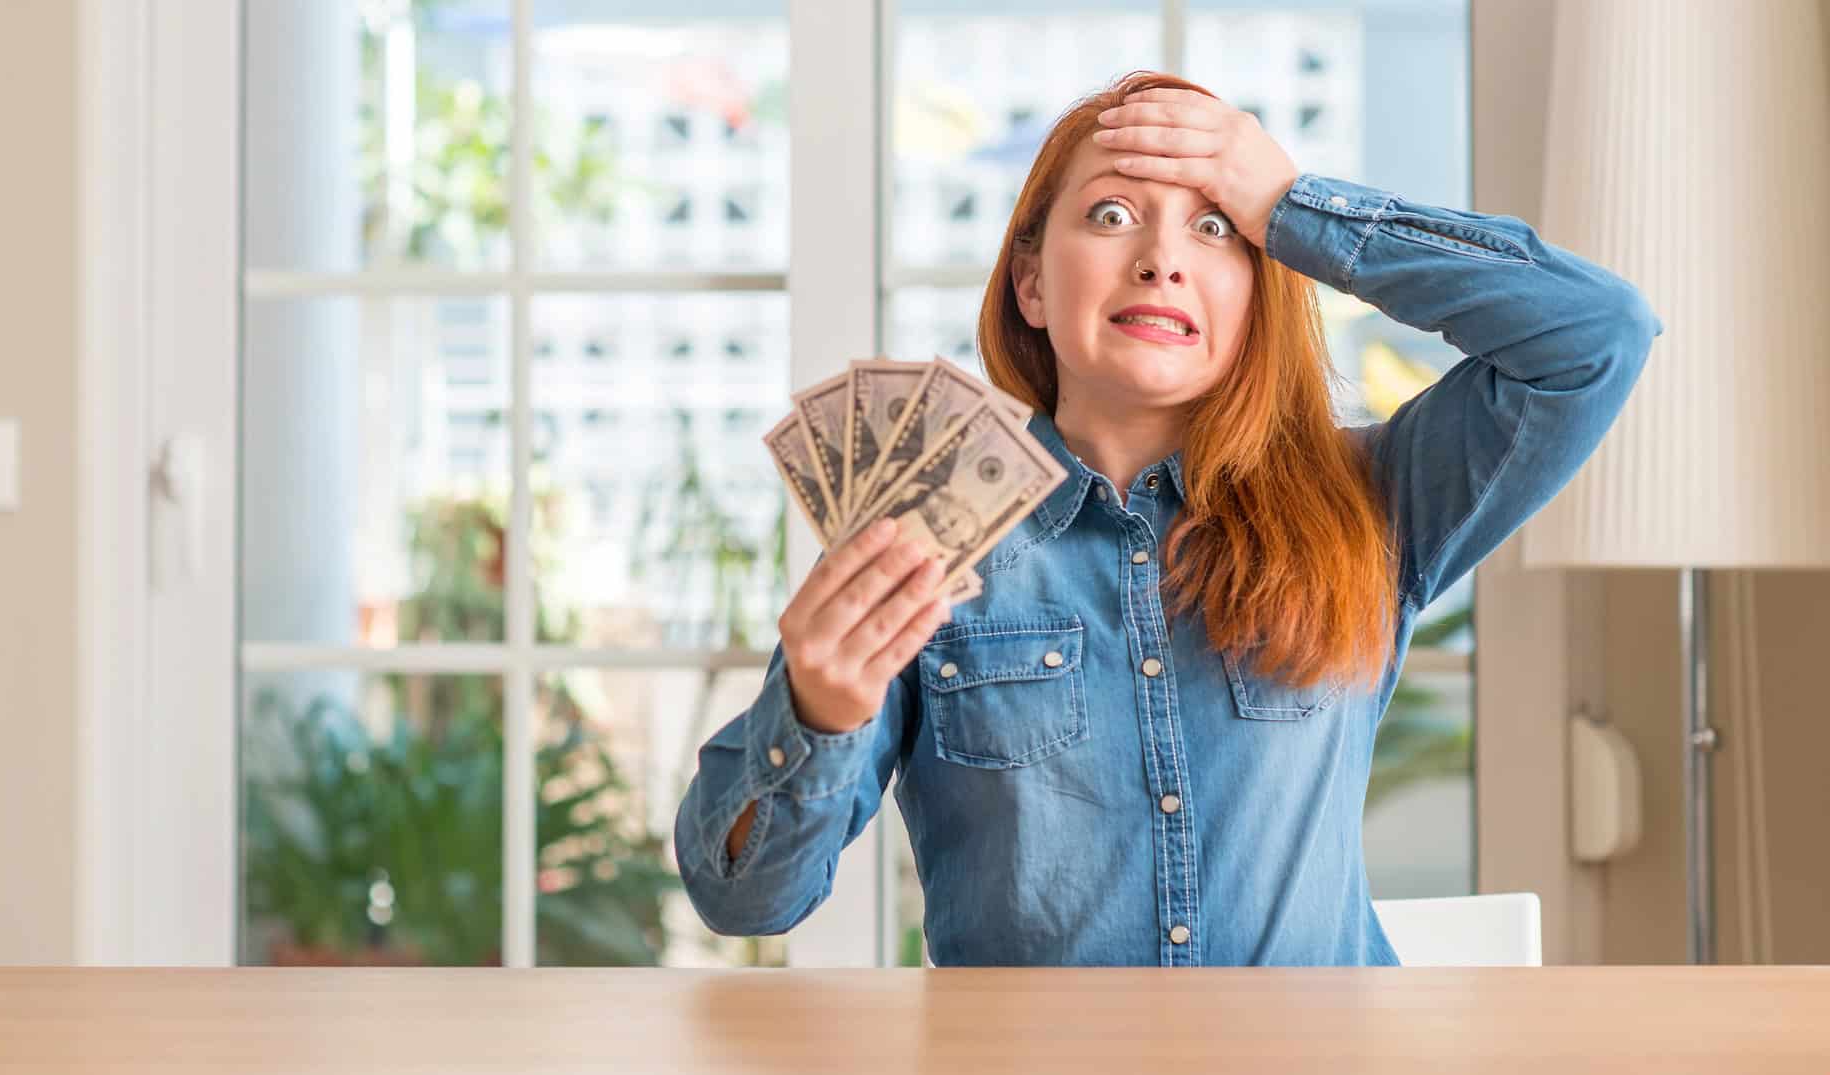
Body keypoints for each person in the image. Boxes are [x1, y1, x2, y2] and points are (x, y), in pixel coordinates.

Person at [672, 70, 1661, 966]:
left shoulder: (1372, 498)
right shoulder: (931, 538)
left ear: (1258, 280)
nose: (1159, 260)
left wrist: (1289, 205)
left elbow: (1594, 335)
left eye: (1213, 227)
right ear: (1028, 283)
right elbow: (745, 901)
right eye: (1109, 214)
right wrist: (813, 711)